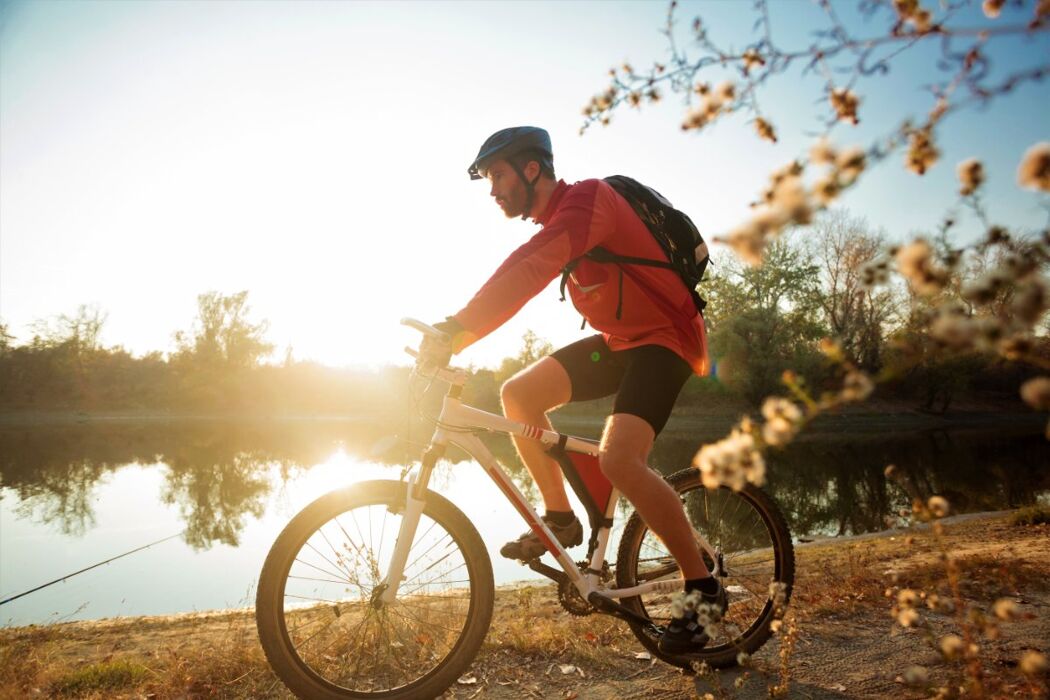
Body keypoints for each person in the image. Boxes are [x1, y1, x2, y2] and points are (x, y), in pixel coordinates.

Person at [419, 126, 725, 653]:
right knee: (518, 395)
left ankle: (703, 589)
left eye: (498, 175)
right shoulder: (562, 220)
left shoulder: (587, 200)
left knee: (620, 461)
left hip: (667, 341)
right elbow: (531, 262)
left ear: (532, 169)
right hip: (622, 343)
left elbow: (531, 267)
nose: (493, 190)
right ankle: (559, 518)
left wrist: (459, 328)